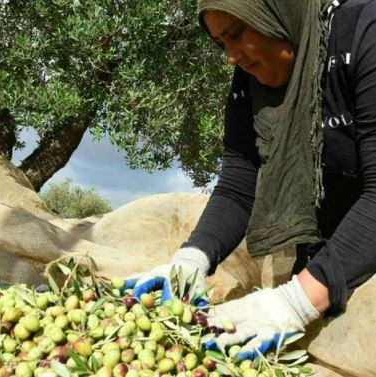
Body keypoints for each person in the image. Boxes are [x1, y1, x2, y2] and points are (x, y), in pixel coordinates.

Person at [125, 0, 376, 360]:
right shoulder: (251, 81)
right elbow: (239, 186)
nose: (231, 57)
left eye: (236, 34)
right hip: (327, 261)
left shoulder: (364, 34)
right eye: (221, 43)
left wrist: (295, 301)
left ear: (275, 12)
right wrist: (192, 259)